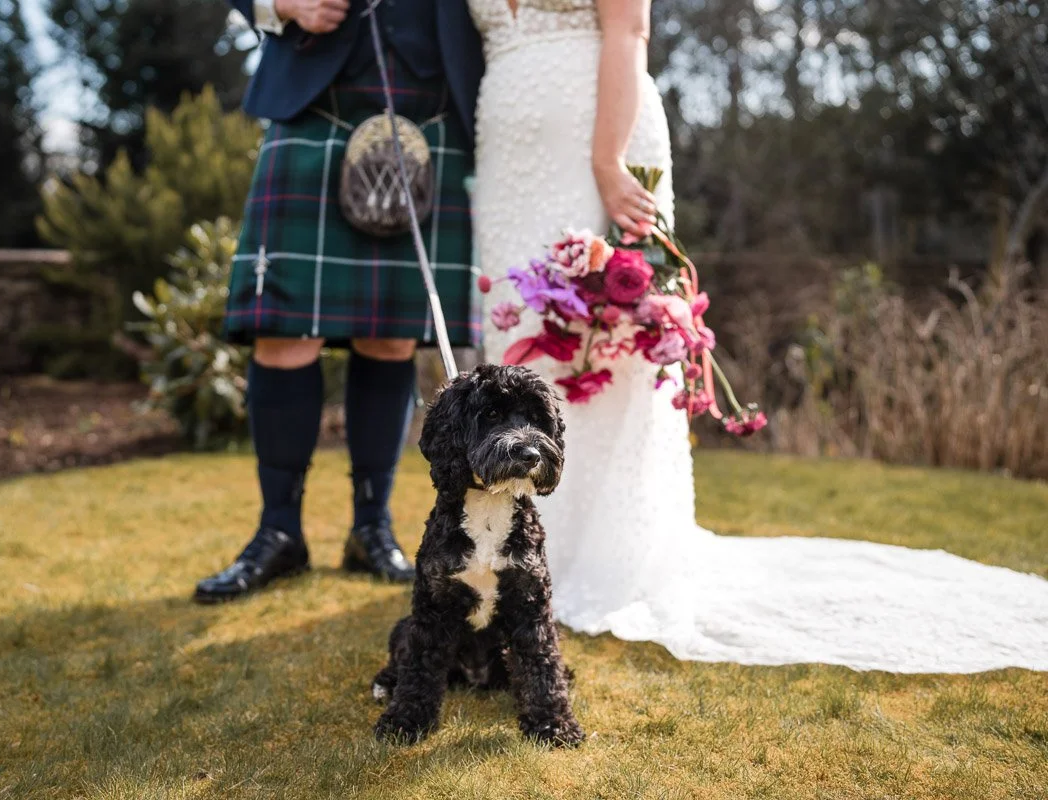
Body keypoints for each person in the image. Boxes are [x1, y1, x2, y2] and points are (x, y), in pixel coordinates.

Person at [472, 0, 1048, 671]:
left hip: (599, 135)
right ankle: (511, 552)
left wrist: (607, 161)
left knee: (604, 346)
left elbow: (629, 26)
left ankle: (603, 561)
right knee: (522, 334)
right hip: (507, 154)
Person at [194, 0, 484, 602]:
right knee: (283, 331)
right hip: (313, 101)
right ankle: (279, 532)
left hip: (431, 111)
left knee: (391, 333)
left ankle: (371, 530)